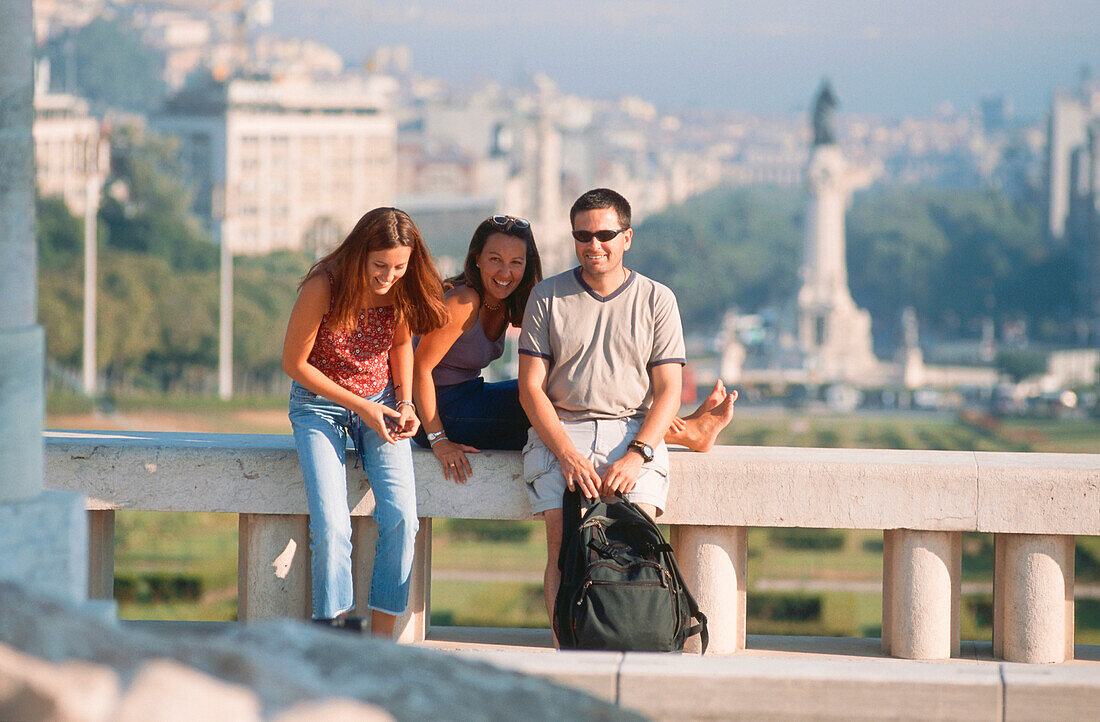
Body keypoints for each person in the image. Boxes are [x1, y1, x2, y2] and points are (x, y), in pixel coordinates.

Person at [517, 188, 726, 640]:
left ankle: (631, 645)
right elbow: (530, 388)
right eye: (584, 236)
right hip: (561, 428)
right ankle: (569, 654)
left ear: (627, 237)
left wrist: (637, 455)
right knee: (562, 551)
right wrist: (568, 456)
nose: (595, 245)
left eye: (605, 234)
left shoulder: (657, 299)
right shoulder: (547, 296)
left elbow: (668, 389)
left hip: (630, 428)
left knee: (634, 548)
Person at [413, 215, 736, 484]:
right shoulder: (463, 301)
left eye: (516, 262)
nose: (505, 272)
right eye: (495, 260)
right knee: (555, 402)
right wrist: (439, 442)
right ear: (476, 259)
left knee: (566, 390)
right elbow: (419, 369)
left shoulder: (512, 303)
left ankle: (673, 426)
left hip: (470, 399)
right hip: (441, 415)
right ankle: (684, 433)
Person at [281, 207, 448, 636]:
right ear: (359, 254)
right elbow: (295, 364)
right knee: (332, 527)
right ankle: (336, 638)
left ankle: (378, 643)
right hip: (319, 406)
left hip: (382, 402)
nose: (388, 277)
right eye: (379, 266)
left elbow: (399, 347)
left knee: (402, 518)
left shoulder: (401, 287)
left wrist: (406, 404)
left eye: (399, 267)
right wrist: (359, 406)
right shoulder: (325, 285)